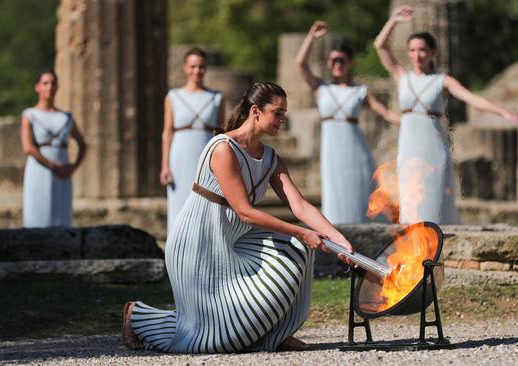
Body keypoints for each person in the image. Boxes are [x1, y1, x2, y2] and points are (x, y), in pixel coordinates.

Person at [123, 82, 354, 353]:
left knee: (295, 251)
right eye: (277, 113)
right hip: (198, 245)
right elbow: (244, 211)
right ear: (256, 111)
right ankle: (138, 316)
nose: (282, 119)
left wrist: (340, 240)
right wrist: (302, 232)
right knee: (214, 339)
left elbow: (300, 205)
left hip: (233, 243)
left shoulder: (270, 158)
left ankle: (274, 334)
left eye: (284, 113)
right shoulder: (223, 148)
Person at [374, 5, 518, 224]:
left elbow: (471, 98)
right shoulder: (402, 77)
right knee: (410, 197)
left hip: (433, 144)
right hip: (409, 144)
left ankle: (439, 243)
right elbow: (380, 45)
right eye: (413, 50)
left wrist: (502, 111)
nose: (417, 55)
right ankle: (414, 246)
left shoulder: (441, 80)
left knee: (434, 197)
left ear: (432, 52)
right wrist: (394, 22)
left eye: (422, 50)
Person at [296, 20, 399, 225]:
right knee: (334, 195)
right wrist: (310, 37)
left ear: (350, 63)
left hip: (355, 151)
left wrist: (413, 120)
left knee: (360, 194)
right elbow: (300, 64)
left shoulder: (359, 91)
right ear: (328, 64)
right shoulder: (321, 88)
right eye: (333, 61)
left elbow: (385, 113)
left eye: (341, 60)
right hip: (332, 151)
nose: (337, 65)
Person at [160, 47, 226, 233]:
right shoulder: (173, 96)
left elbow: (222, 133)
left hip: (206, 155)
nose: (197, 71)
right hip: (179, 155)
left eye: (201, 67)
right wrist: (165, 165)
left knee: (206, 204)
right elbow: (167, 132)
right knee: (179, 205)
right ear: (185, 68)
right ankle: (176, 254)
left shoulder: (217, 97)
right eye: (193, 66)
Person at [20, 70, 87, 228]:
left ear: (57, 87)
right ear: (37, 87)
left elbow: (82, 144)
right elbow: (28, 147)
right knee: (37, 215)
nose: (49, 87)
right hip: (39, 168)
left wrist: (73, 167)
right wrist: (51, 165)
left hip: (63, 170)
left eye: (53, 83)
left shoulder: (66, 117)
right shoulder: (30, 114)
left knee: (61, 214)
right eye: (45, 83)